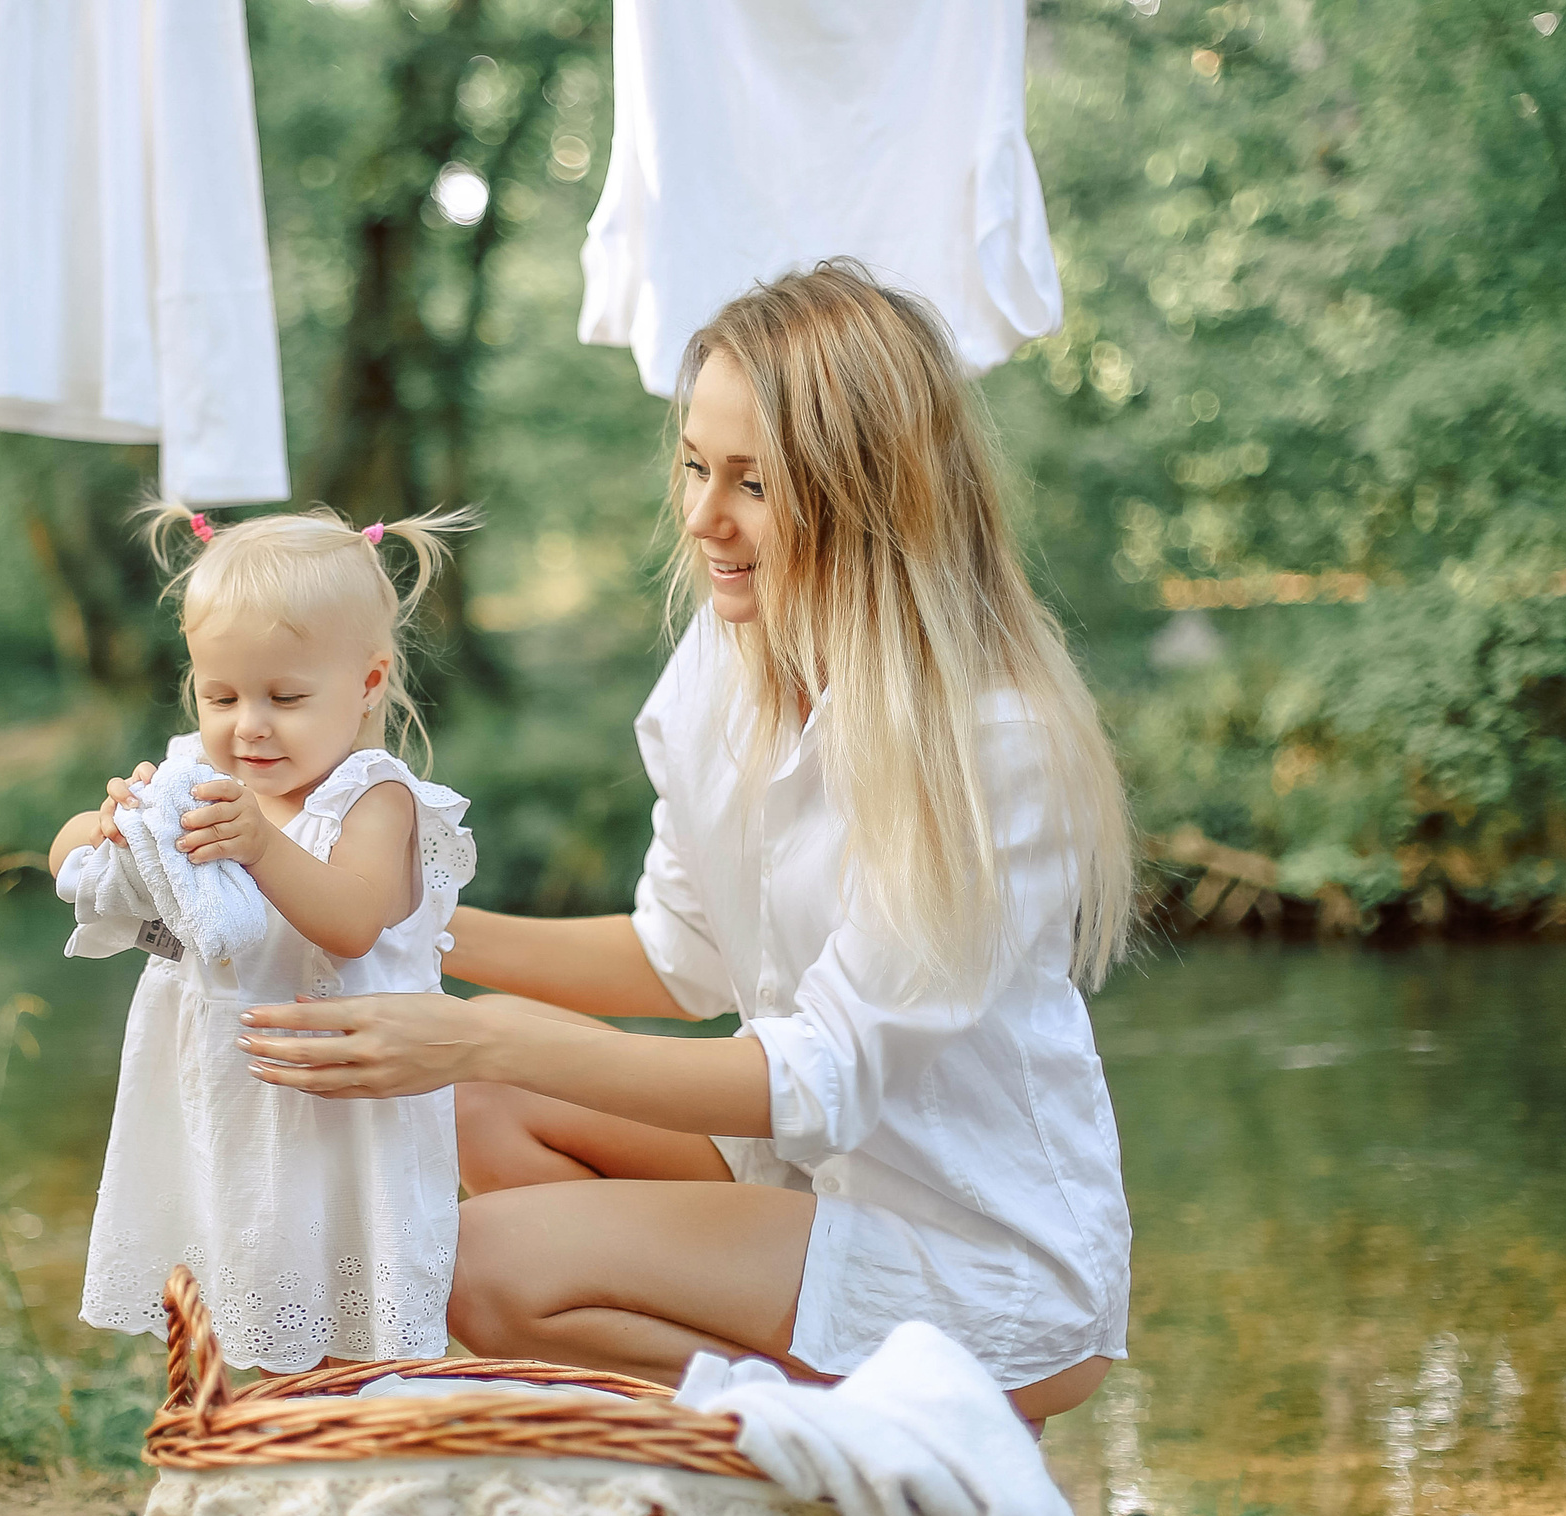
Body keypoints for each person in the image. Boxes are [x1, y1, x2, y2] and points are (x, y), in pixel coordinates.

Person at [236, 260, 1135, 1424]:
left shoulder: (989, 747)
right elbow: (678, 959)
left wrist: (482, 1034)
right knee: (457, 1109)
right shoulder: (726, 657)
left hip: (977, 1261)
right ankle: (755, 1457)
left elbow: (817, 1080)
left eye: (755, 485)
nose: (705, 519)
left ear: (871, 494)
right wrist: (359, 904)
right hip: (801, 1191)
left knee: (477, 1260)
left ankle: (856, 1451)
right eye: (698, 467)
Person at [49, 504, 478, 1376]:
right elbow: (68, 865)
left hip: (337, 1111)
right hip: (215, 1096)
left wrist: (260, 843)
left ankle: (344, 1442)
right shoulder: (192, 782)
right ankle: (224, 1448)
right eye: (221, 696)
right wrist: (110, 828)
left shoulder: (374, 796)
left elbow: (352, 918)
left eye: (285, 697)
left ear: (366, 683)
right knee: (210, 1280)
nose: (249, 724)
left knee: (341, 1314)